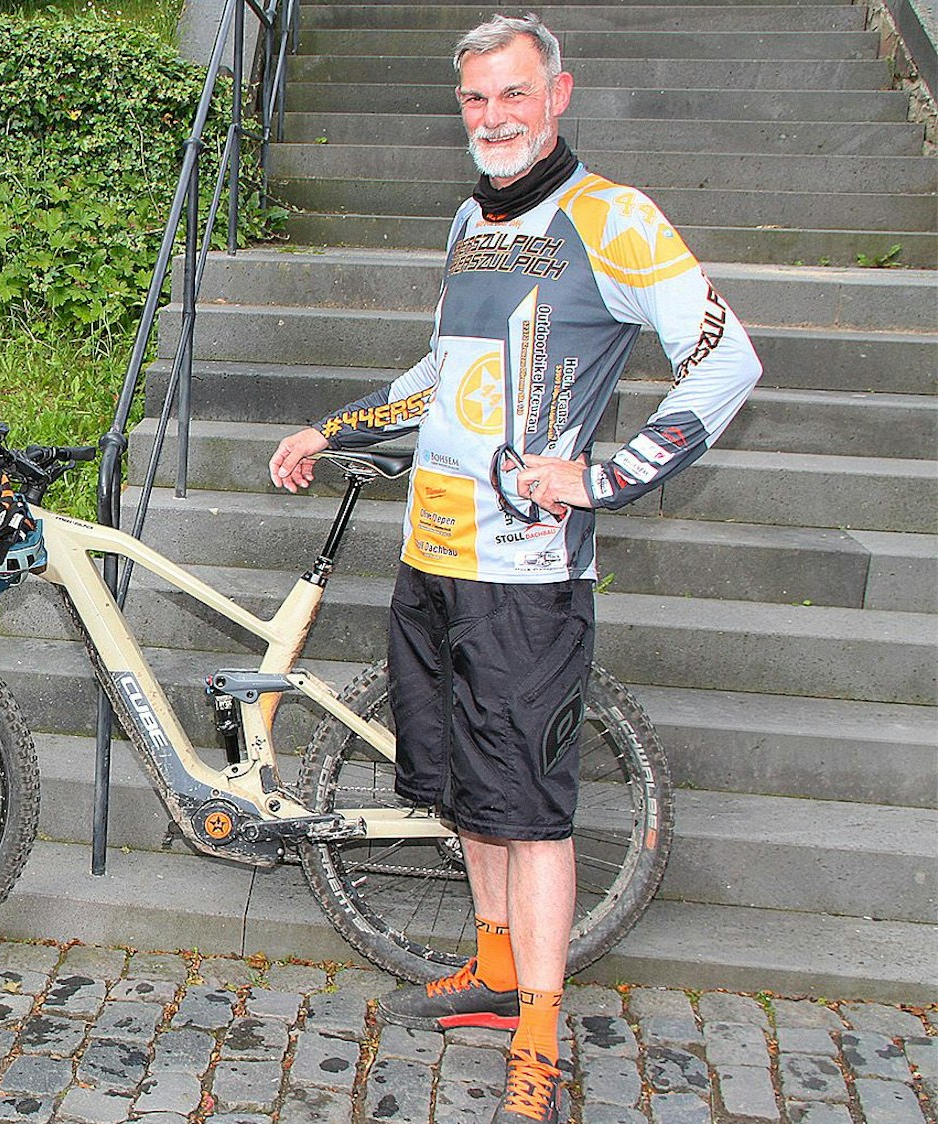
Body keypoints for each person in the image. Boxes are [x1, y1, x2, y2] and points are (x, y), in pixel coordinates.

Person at [269, 15, 760, 1124]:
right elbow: (440, 380)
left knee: (531, 809)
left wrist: (605, 473)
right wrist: (334, 424)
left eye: (512, 95)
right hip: (429, 560)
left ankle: (538, 1025)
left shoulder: (612, 218)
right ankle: (491, 966)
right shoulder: (468, 221)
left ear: (557, 93)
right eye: (474, 100)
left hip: (526, 578)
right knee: (462, 789)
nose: (493, 117)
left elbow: (725, 359)